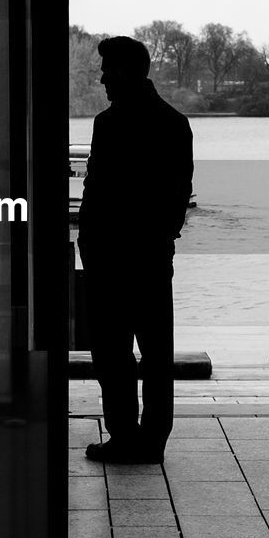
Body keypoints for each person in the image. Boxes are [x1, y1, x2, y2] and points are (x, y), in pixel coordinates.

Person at [78, 35, 193, 465]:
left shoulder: (107, 124)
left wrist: (89, 243)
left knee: (112, 353)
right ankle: (152, 439)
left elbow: (96, 190)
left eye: (108, 68)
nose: (103, 77)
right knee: (156, 351)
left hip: (111, 257)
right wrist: (163, 240)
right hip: (150, 257)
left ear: (127, 70)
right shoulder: (174, 123)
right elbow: (180, 192)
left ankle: (124, 434)